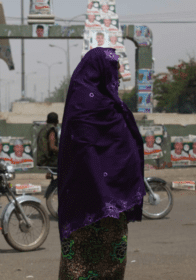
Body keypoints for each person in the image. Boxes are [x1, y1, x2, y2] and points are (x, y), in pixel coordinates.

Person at [57, 48, 146, 279]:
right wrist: (102, 190)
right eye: (114, 69)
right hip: (84, 203)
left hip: (114, 203)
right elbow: (84, 154)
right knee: (79, 265)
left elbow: (125, 149)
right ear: (99, 71)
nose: (117, 75)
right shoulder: (82, 109)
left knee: (112, 265)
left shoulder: (114, 107)